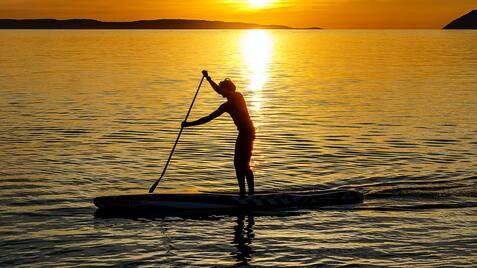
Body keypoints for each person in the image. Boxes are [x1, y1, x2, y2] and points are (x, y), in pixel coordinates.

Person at [182, 70, 255, 196]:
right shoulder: (225, 106)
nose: (221, 93)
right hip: (242, 133)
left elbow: (220, 91)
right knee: (238, 164)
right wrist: (188, 124)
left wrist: (208, 79)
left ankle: (251, 194)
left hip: (248, 133)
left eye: (222, 90)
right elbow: (208, 118)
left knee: (243, 164)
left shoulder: (238, 96)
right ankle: (243, 193)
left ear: (227, 90)